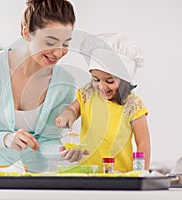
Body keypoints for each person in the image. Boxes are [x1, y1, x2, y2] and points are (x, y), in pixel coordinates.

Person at [0, 0, 88, 177]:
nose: (59, 53)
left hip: (35, 178)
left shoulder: (64, 82)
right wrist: (6, 139)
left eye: (65, 43)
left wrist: (62, 152)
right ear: (27, 33)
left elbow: (47, 140)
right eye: (51, 42)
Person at [56, 33, 151, 172]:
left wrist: (142, 173)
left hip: (120, 175)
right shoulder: (87, 94)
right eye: (96, 79)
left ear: (125, 79)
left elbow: (143, 143)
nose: (102, 86)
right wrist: (66, 116)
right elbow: (72, 110)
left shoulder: (133, 105)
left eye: (110, 81)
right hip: (89, 173)